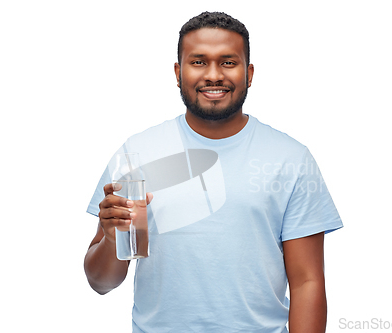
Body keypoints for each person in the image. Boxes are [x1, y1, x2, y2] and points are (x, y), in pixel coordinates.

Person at [84, 11, 343, 333]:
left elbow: (307, 281)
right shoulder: (136, 154)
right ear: (178, 73)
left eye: (228, 62)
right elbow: (101, 283)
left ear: (249, 73)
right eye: (198, 62)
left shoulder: (290, 158)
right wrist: (111, 239)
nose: (213, 75)